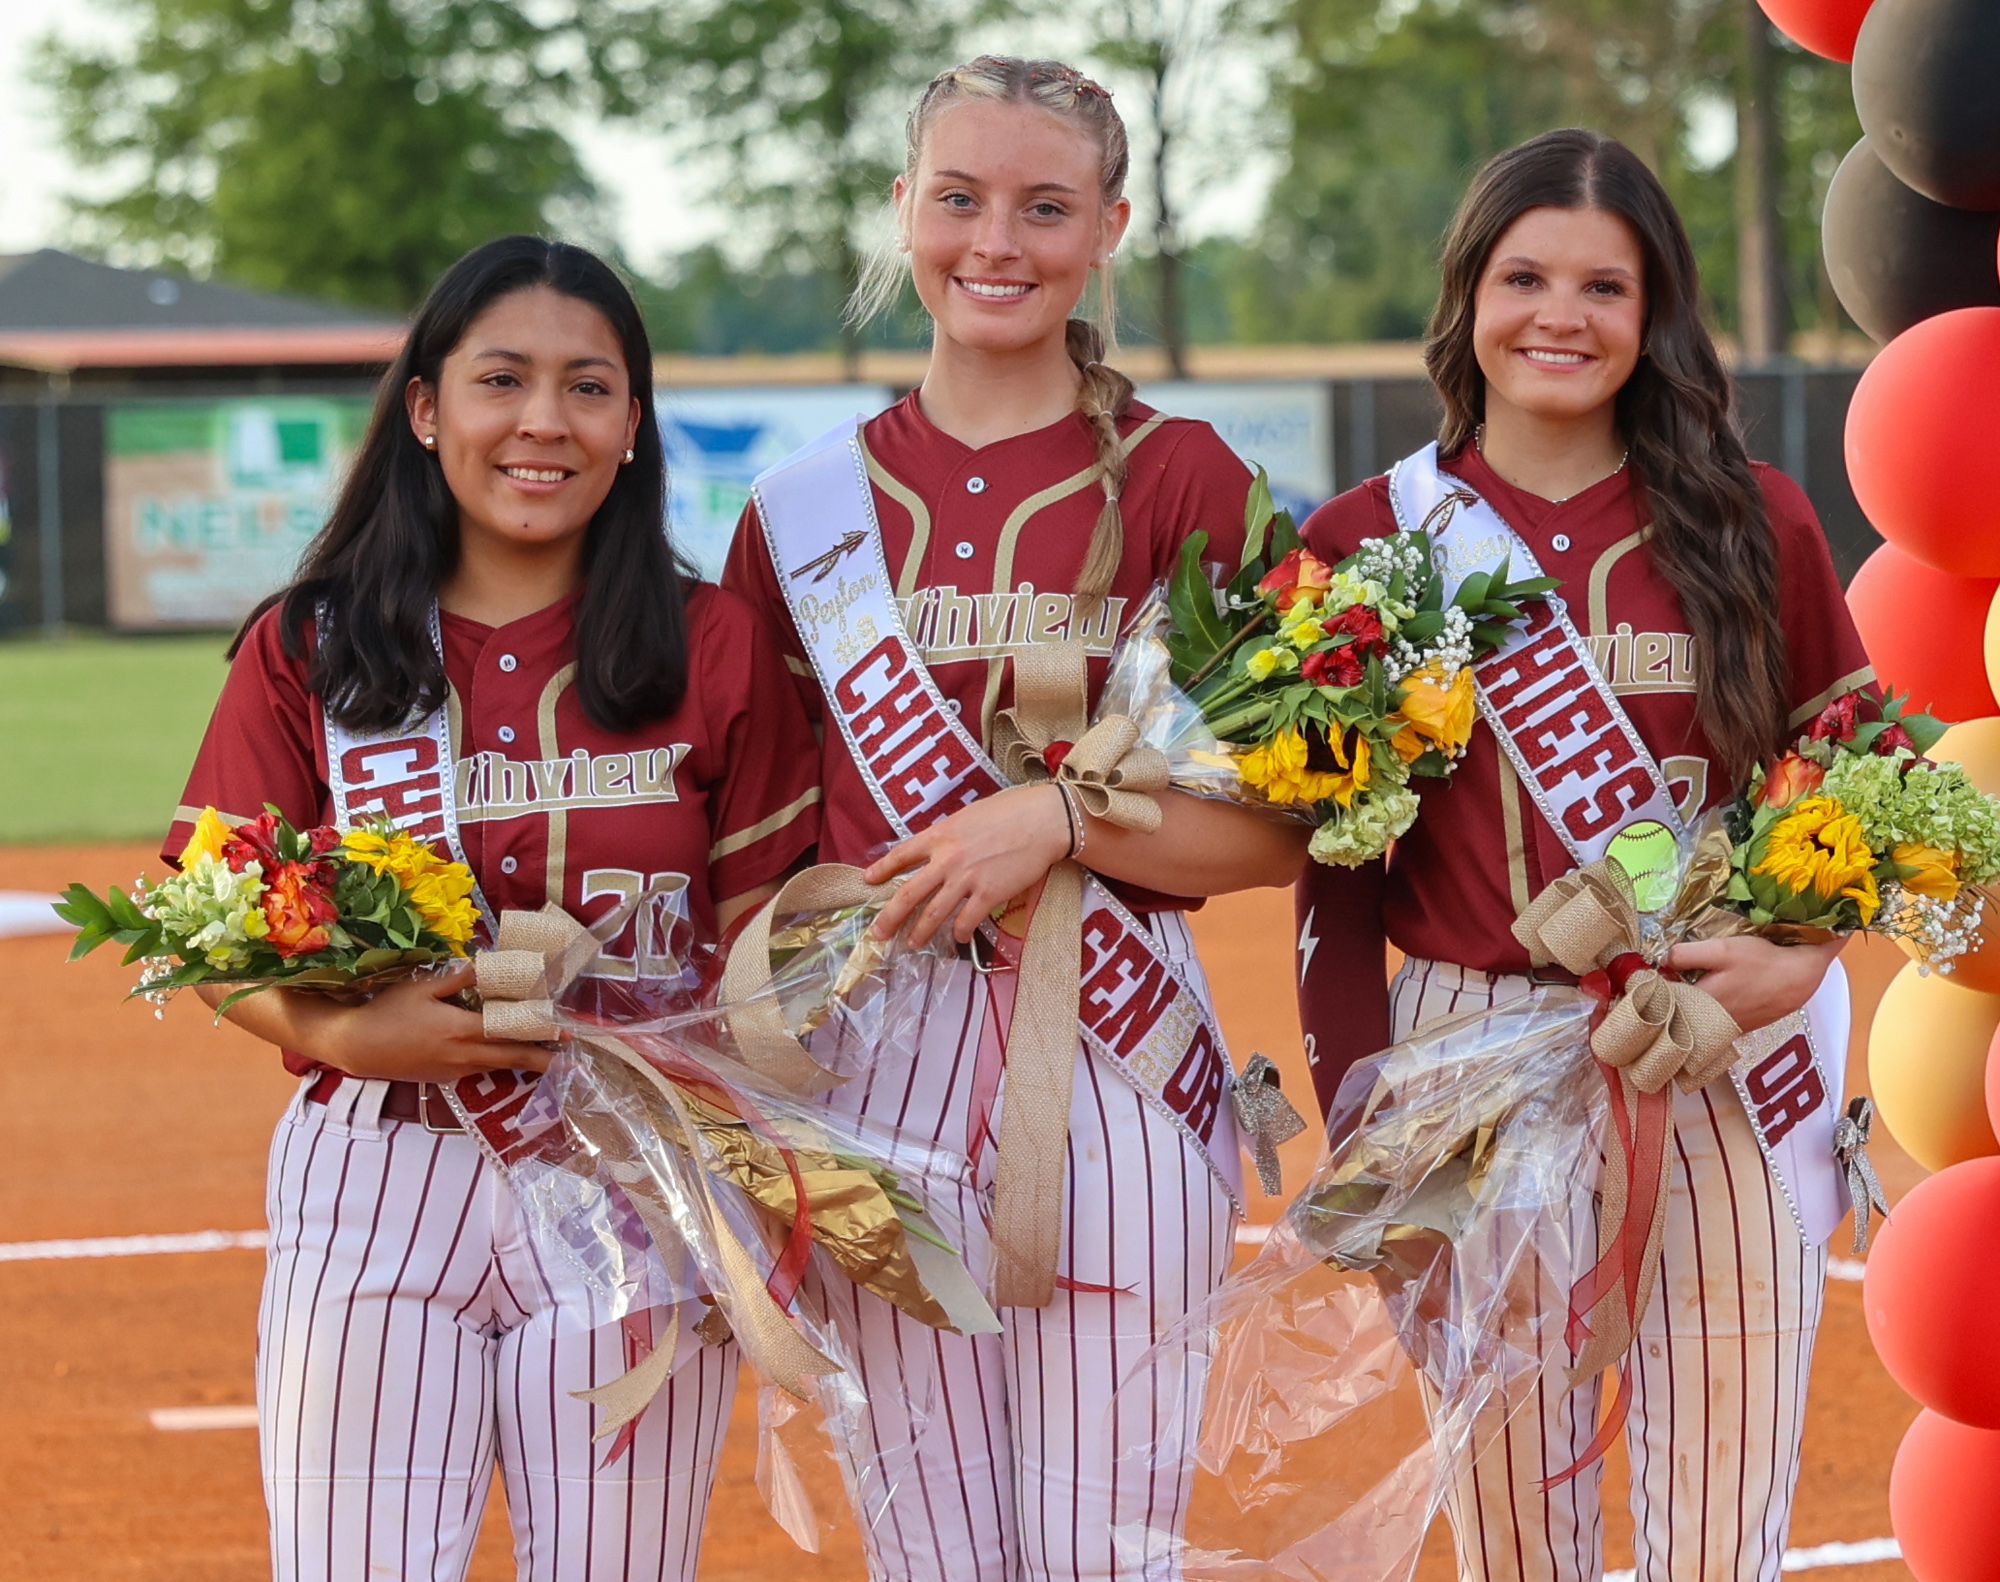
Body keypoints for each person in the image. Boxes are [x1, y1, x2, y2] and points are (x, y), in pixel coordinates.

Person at [723, 53, 1310, 1582]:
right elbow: (745, 846)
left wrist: (1059, 822)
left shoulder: (1189, 479)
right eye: (959, 198)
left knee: (1107, 1553)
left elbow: (1285, 829)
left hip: (1122, 1052)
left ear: (1110, 227)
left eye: (1046, 208)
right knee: (928, 1553)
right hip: (867, 1059)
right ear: (903, 208)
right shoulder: (798, 513)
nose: (997, 242)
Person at [162, 236, 822, 1582]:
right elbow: (201, 923)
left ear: (632, 425)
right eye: (502, 379)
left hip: (637, 1175)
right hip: (385, 1167)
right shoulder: (314, 644)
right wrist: (340, 1034)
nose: (543, 422)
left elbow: (776, 947)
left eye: (589, 387)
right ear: (425, 408)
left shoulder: (714, 645)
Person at [1292, 129, 1874, 1582]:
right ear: (1467, 297)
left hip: (1716, 1038)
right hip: (1467, 1055)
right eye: (1525, 277)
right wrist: (1362, 1117)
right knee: (1509, 1533)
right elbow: (1335, 869)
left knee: (1721, 1523)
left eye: (1604, 286)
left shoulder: (1756, 517)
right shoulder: (1368, 540)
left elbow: (1856, 773)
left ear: (1653, 310)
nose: (1561, 315)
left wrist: (1803, 954)